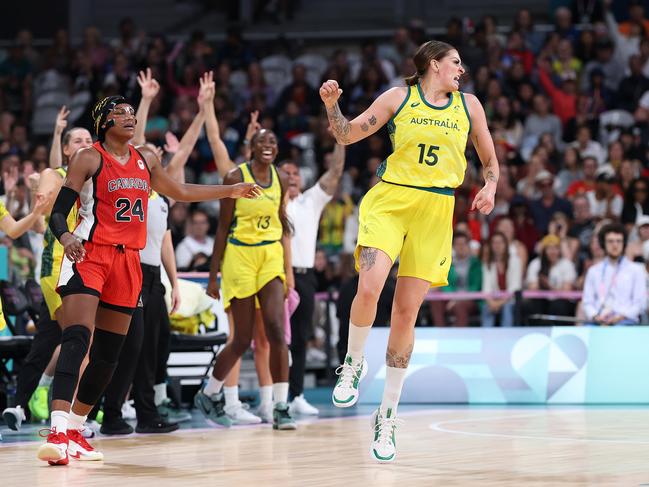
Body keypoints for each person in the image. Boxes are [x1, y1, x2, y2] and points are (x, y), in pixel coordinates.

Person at [37, 94, 259, 466]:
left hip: (129, 262)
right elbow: (59, 213)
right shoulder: (88, 157)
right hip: (90, 254)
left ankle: (76, 429)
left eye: (131, 112)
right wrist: (67, 237)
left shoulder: (147, 158)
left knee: (109, 355)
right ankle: (57, 429)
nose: (129, 117)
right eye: (120, 113)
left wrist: (230, 191)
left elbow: (182, 192)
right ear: (104, 122)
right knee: (77, 337)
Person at [320, 39, 498, 462]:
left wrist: (490, 185)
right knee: (369, 287)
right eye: (455, 63)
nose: (462, 69)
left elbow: (489, 157)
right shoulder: (399, 97)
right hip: (391, 200)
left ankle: (388, 414)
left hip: (437, 209)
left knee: (405, 313)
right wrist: (332, 106)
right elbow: (346, 135)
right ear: (434, 64)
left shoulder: (470, 105)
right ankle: (353, 362)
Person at [195, 127, 297, 431]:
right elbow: (223, 228)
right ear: (250, 147)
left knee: (276, 330)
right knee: (241, 339)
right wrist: (212, 277)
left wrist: (288, 261)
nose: (268, 145)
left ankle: (280, 406)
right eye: (262, 141)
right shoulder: (234, 177)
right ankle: (210, 393)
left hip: (269, 257)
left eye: (272, 141)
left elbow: (280, 215)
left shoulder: (279, 177)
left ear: (276, 149)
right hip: (239, 258)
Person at [2, 121, 92, 431]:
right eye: (76, 140)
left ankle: (21, 402)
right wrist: (37, 186)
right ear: (66, 149)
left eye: (88, 139)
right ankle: (71, 420)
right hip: (57, 265)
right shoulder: (57, 176)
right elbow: (40, 219)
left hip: (84, 265)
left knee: (47, 343)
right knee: (82, 341)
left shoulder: (96, 178)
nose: (84, 143)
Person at [280, 144, 346, 416]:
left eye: (296, 173)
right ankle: (275, 397)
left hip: (305, 278)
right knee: (276, 340)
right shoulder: (270, 202)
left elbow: (336, 171)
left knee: (300, 339)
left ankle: (296, 395)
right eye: (286, 173)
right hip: (278, 277)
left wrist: (341, 140)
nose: (293, 177)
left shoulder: (311, 201)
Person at [582, 223, 647, 325]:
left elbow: (640, 303)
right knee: (586, 329)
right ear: (603, 243)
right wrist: (595, 316)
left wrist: (621, 317)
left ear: (624, 243)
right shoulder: (593, 271)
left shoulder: (636, 270)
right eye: (610, 241)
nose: (615, 245)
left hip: (626, 320)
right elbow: (587, 301)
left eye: (618, 241)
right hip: (599, 320)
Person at [430, 231, 482, 327]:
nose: (461, 247)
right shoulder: (448, 263)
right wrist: (453, 298)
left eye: (463, 244)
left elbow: (475, 286)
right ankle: (440, 332)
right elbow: (445, 283)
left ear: (468, 246)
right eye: (458, 244)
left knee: (459, 306)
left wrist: (457, 300)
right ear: (453, 247)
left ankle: (458, 336)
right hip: (451, 298)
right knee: (435, 301)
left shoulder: (476, 264)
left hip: (470, 298)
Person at [481, 231, 523, 327]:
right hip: (494, 300)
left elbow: (514, 287)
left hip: (510, 300)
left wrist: (499, 303)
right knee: (486, 307)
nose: (497, 245)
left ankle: (506, 338)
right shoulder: (487, 263)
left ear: (505, 244)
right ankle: (486, 337)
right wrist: (491, 302)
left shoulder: (515, 261)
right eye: (494, 243)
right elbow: (486, 288)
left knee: (507, 308)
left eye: (500, 242)